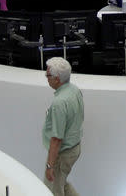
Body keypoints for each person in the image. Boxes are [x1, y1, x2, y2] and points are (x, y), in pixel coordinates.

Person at [42, 57, 84, 196]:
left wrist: (50, 166)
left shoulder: (59, 103)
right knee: (62, 183)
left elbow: (56, 139)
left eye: (48, 75)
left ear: (57, 79)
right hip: (74, 148)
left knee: (53, 189)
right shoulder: (75, 90)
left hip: (63, 154)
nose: (46, 77)